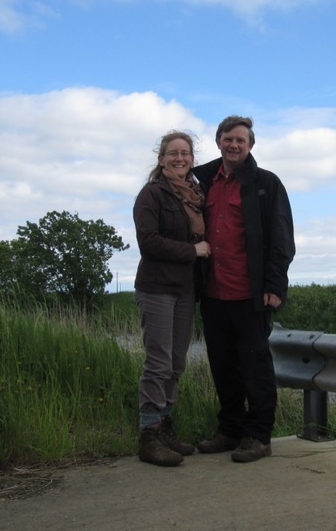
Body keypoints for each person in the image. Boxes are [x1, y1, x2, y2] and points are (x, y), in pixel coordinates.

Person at [193, 115, 295, 463]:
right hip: (212, 292)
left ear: (250, 145)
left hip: (250, 294)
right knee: (222, 365)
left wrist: (275, 284)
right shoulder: (203, 180)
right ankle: (230, 429)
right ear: (218, 140)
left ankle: (258, 436)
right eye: (227, 139)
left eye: (240, 140)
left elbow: (282, 238)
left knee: (255, 367)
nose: (233, 145)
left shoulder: (266, 183)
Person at [133, 130, 212, 467]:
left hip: (184, 290)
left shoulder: (196, 196)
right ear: (161, 159)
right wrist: (192, 250)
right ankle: (149, 436)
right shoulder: (151, 195)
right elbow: (148, 242)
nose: (180, 158)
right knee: (159, 363)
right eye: (173, 153)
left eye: (185, 153)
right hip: (156, 288)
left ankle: (165, 428)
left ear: (192, 160)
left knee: (176, 364)